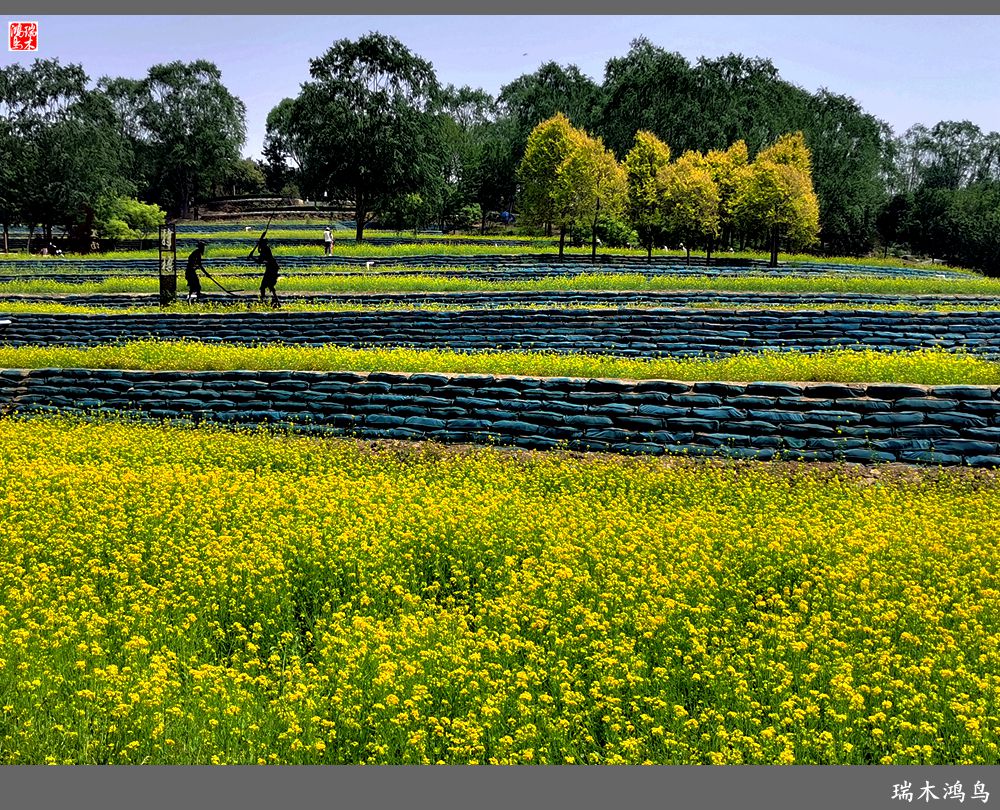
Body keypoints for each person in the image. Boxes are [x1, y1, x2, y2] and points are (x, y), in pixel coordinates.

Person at [251, 236, 281, 307]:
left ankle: (263, 301)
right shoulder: (265, 249)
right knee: (269, 286)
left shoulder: (265, 249)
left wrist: (252, 257)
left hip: (272, 268)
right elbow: (261, 259)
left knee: (264, 286)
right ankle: (275, 301)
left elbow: (259, 261)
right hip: (272, 268)